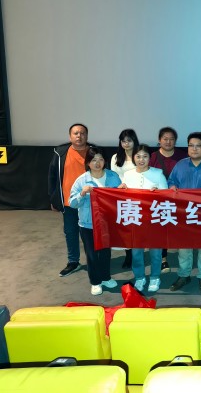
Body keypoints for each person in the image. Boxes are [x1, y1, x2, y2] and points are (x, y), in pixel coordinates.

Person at [167, 132, 201, 294]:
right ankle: (184, 275)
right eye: (191, 145)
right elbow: (171, 181)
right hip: (185, 213)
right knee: (184, 248)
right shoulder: (180, 165)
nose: (194, 149)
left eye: (198, 146)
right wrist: (172, 187)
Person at [68, 146, 121, 295]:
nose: (97, 163)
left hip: (107, 223)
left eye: (101, 159)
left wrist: (122, 190)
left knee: (105, 252)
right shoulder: (82, 180)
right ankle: (95, 282)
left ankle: (105, 277)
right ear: (88, 163)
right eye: (93, 160)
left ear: (105, 161)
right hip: (88, 224)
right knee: (92, 254)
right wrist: (82, 193)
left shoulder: (113, 177)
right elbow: (72, 203)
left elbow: (120, 199)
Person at [119, 144, 168, 293]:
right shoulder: (128, 174)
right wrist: (120, 190)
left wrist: (159, 192)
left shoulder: (158, 173)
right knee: (136, 253)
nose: (141, 159)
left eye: (145, 156)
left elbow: (167, 197)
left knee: (155, 252)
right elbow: (122, 197)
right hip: (135, 219)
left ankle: (155, 277)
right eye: (138, 156)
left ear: (150, 158)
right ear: (133, 157)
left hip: (154, 219)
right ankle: (139, 277)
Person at [48, 123, 90, 277]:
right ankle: (73, 261)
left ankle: (93, 260)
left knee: (89, 234)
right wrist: (54, 199)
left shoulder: (93, 152)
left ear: (87, 136)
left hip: (89, 203)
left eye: (82, 133)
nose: (79, 136)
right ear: (70, 136)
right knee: (70, 232)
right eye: (76, 133)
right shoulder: (60, 153)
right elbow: (52, 176)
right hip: (69, 202)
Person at [149, 126, 186, 274]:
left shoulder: (183, 156)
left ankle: (184, 260)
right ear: (159, 140)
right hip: (159, 200)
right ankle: (163, 259)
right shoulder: (152, 157)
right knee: (160, 230)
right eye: (165, 139)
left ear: (175, 141)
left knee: (181, 230)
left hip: (179, 199)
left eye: (171, 139)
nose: (168, 142)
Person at [110, 128, 139, 270]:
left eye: (129, 141)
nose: (126, 143)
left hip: (137, 195)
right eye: (123, 141)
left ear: (134, 141)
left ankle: (136, 253)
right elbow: (113, 176)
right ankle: (128, 254)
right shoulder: (115, 157)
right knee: (125, 226)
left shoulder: (140, 156)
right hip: (121, 196)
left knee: (136, 226)